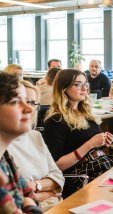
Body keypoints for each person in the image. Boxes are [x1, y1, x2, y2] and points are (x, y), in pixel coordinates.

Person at [43, 69, 113, 198]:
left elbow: (92, 145)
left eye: (86, 84)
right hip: (80, 176)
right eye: (78, 84)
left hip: (99, 165)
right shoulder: (55, 120)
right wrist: (90, 144)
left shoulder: (86, 114)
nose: (84, 88)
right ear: (64, 88)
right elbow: (57, 165)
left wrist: (103, 142)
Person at [8, 80, 64, 212]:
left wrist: (34, 186)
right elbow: (12, 196)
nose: (29, 108)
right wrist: (47, 193)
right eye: (19, 101)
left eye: (32, 102)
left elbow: (58, 176)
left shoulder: (35, 136)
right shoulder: (4, 145)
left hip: (58, 205)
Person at [0, 72, 42, 213]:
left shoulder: (5, 158)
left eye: (27, 100)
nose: (29, 109)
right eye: (15, 102)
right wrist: (26, 202)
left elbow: (31, 196)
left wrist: (27, 201)